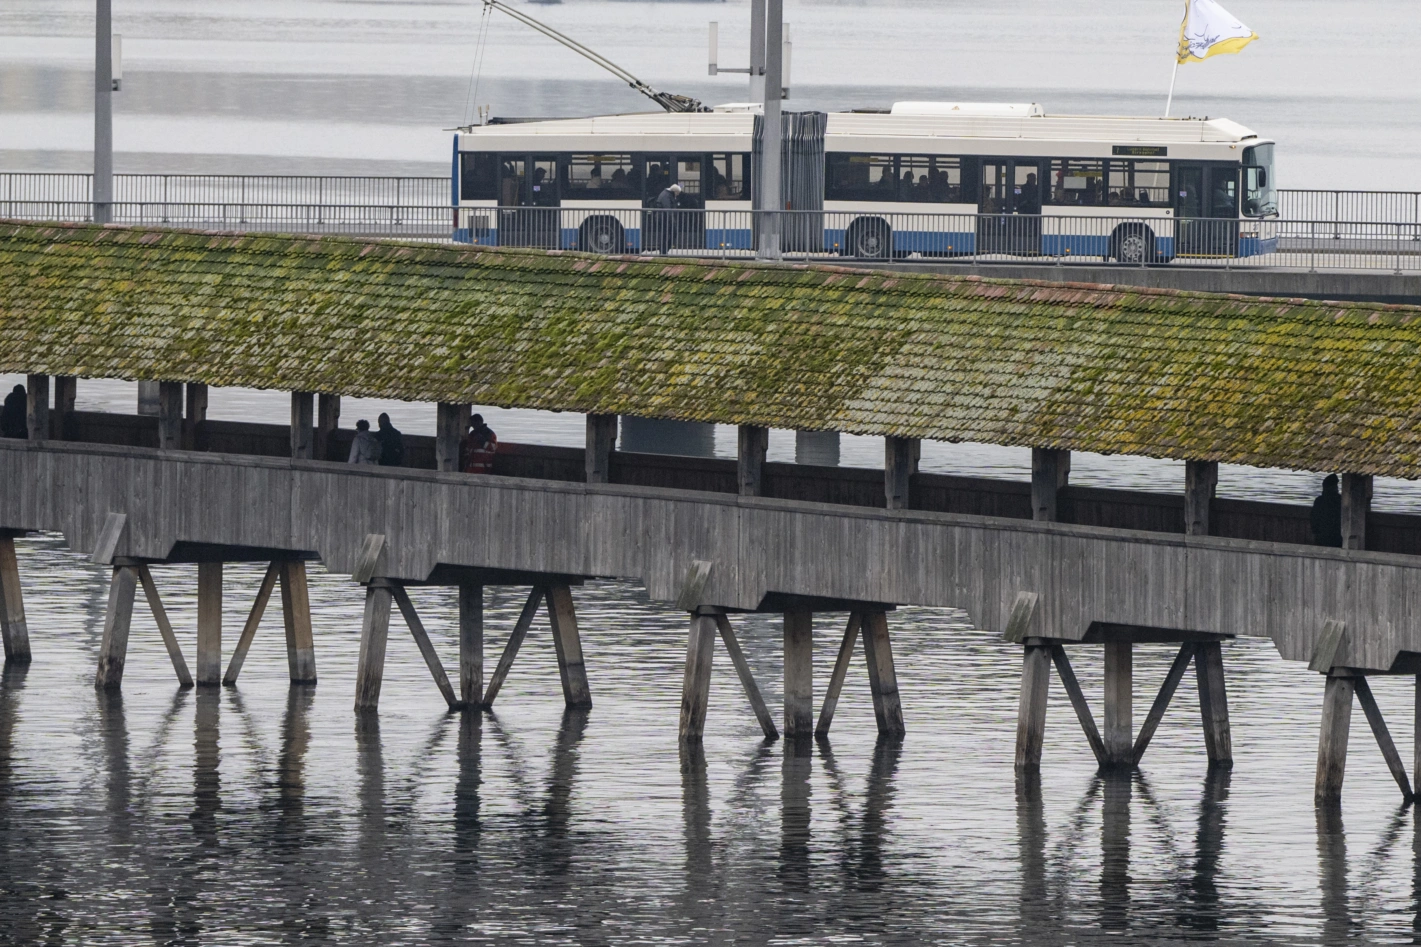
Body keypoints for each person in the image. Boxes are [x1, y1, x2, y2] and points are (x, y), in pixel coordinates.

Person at [1311, 474, 1343, 547]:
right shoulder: (1340, 501)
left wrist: (1315, 533)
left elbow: (1314, 520)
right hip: (1338, 539)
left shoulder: (1319, 501)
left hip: (1321, 538)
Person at [652, 182, 681, 255]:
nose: (677, 195)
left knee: (666, 234)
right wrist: (673, 222)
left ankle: (664, 250)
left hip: (664, 218)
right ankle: (663, 250)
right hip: (663, 219)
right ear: (674, 191)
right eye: (677, 193)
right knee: (669, 234)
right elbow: (668, 209)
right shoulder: (666, 196)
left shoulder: (666, 194)